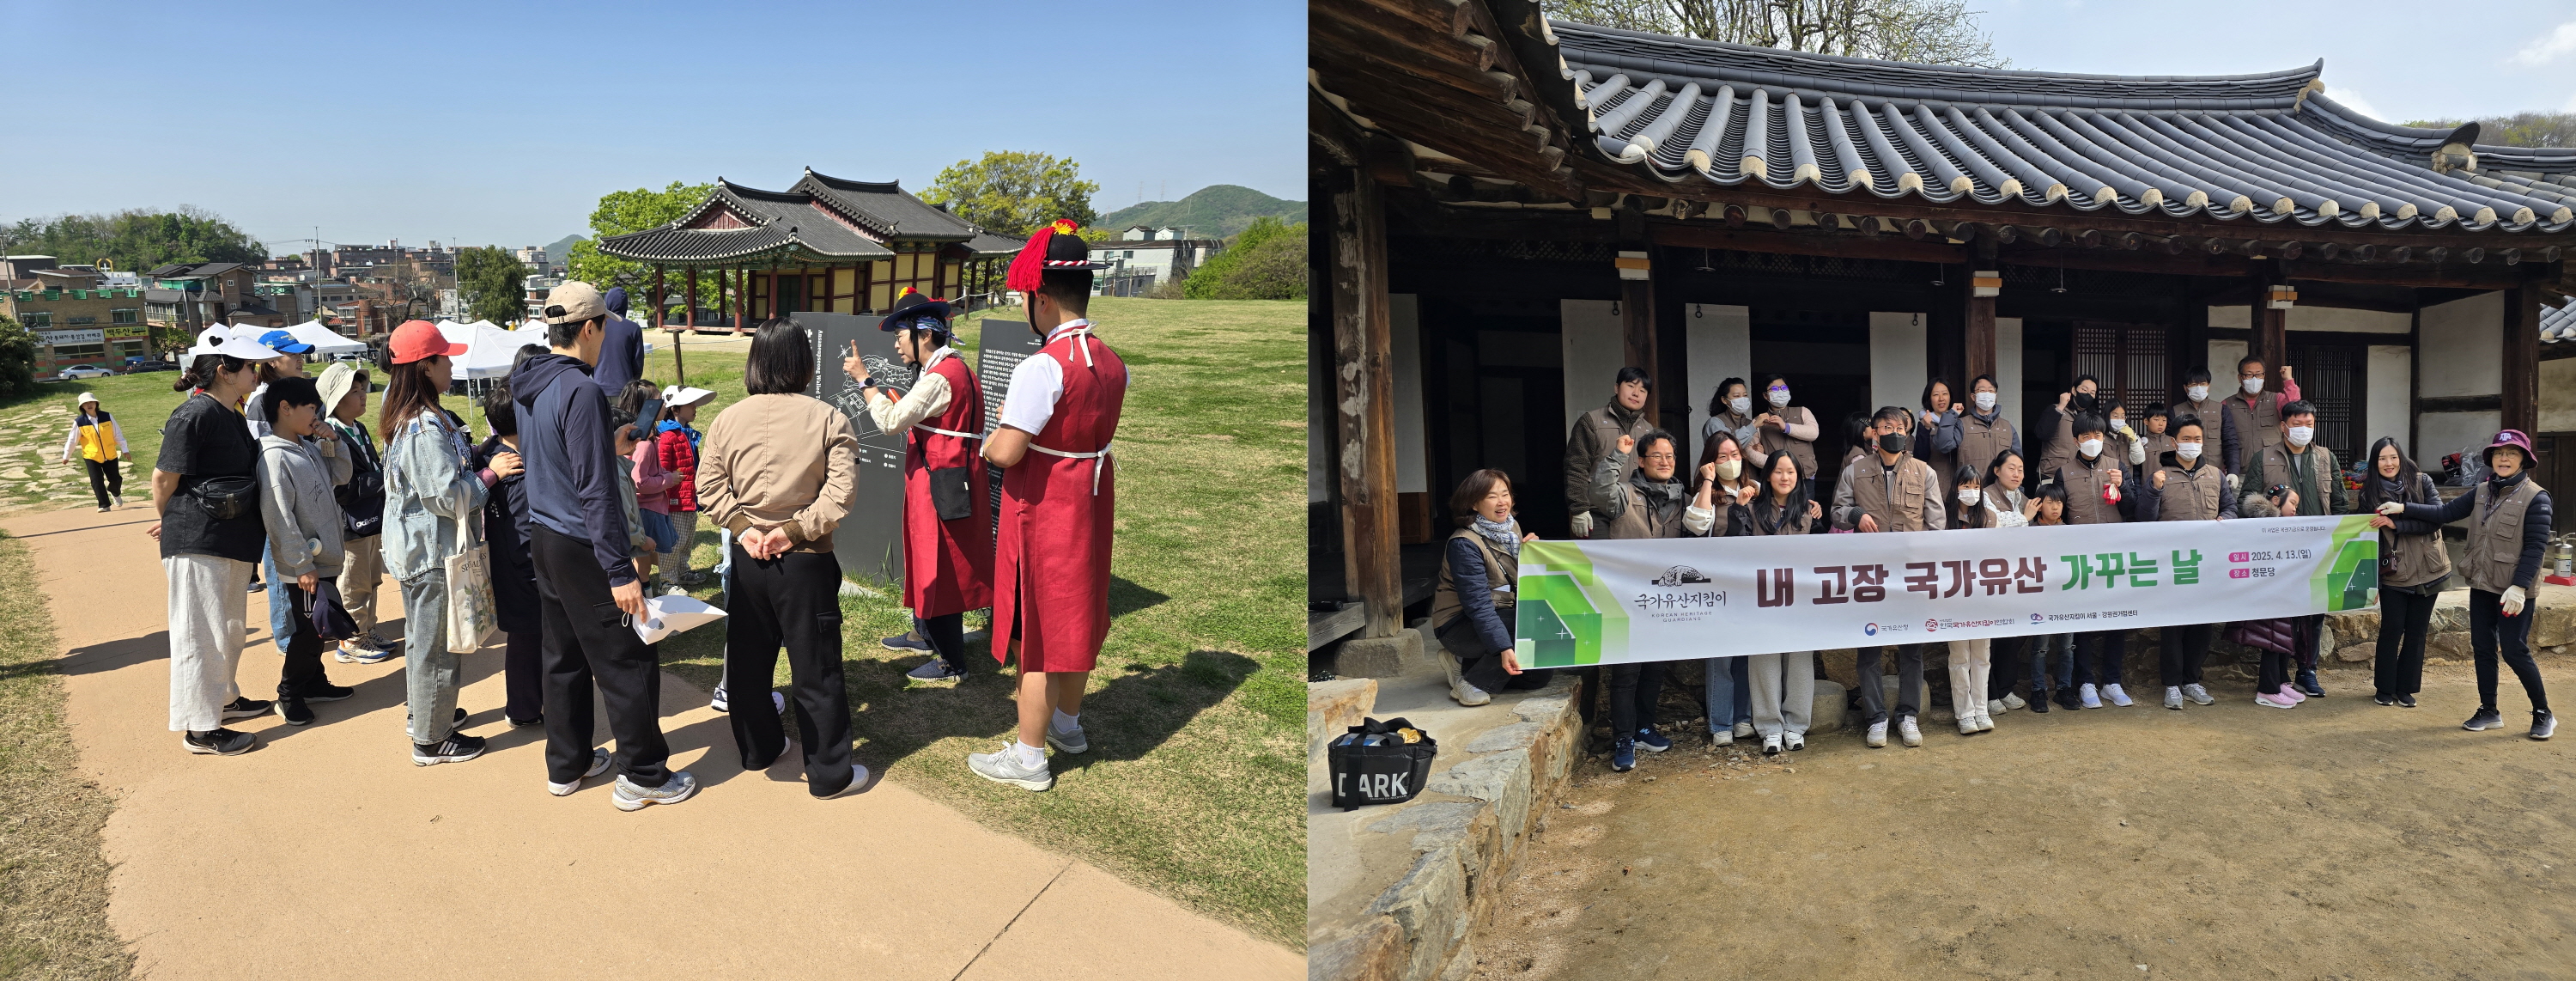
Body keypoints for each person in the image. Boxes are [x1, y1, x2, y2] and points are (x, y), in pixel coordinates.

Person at [512, 282, 693, 807]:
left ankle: (567, 763)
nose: (604, 339)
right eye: (603, 329)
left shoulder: (528, 381)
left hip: (543, 536)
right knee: (628, 654)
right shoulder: (581, 390)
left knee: (562, 654)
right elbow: (594, 485)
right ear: (588, 328)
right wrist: (619, 570)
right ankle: (646, 774)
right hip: (581, 540)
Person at [970, 219, 1129, 793]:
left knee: (1033, 632)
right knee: (1078, 613)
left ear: (1039, 298)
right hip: (1088, 498)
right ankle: (1067, 724)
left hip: (1043, 507)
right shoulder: (1112, 362)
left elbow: (1008, 450)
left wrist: (989, 442)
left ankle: (1029, 756)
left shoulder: (1042, 366)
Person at [696, 319, 868, 798]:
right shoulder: (829, 418)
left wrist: (744, 528)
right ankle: (830, 773)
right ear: (804, 363)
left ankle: (758, 750)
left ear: (754, 362)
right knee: (815, 667)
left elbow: (707, 486)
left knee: (750, 663)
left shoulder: (727, 419)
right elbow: (840, 493)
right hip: (807, 558)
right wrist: (792, 531)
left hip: (748, 557)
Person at [844, 288, 993, 685]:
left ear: (924, 335)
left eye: (900, 335)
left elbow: (892, 420)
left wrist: (865, 381)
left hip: (942, 484)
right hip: (944, 479)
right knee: (930, 558)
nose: (896, 345)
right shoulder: (950, 370)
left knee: (941, 565)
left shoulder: (942, 377)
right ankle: (925, 634)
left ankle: (951, 660)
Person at [149, 332, 289, 756]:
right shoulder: (193, 414)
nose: (255, 373)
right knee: (200, 635)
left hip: (226, 540)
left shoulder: (229, 412)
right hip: (199, 541)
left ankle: (224, 699)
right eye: (248, 367)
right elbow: (163, 479)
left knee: (227, 631)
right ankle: (199, 727)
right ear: (225, 372)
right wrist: (173, 521)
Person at [380, 320, 506, 765]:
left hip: (415, 548)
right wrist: (491, 475)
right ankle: (432, 740)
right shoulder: (425, 427)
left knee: (422, 640)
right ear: (424, 366)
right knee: (436, 646)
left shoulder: (405, 415)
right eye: (444, 358)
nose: (451, 365)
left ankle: (426, 715)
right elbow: (446, 496)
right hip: (432, 551)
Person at [2382, 430, 2554, 740]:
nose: (2504, 459)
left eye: (2511, 454)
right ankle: (2489, 710)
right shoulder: (2483, 490)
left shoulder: (2536, 498)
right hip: (2483, 583)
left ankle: (2543, 712)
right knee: (2483, 649)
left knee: (2515, 651)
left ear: (2523, 460)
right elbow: (2445, 512)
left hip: (2513, 590)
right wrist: (2404, 508)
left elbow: (2535, 548)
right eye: (2499, 454)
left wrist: (2520, 586)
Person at [1589, 428, 1707, 771]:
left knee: (1655, 669)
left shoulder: (1683, 498)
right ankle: (1623, 736)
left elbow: (1704, 529)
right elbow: (1598, 493)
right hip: (1626, 598)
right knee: (1626, 672)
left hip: (1665, 601)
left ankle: (1644, 727)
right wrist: (1616, 456)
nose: (1666, 461)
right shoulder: (1624, 494)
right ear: (1641, 460)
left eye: (1670, 456)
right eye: (1657, 456)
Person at [1832, 405, 1945, 747]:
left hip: (1911, 574)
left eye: (1898, 426)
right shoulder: (1856, 470)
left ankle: (1908, 715)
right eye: (1884, 426)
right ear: (1874, 433)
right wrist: (1856, 515)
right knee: (1869, 648)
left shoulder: (1924, 472)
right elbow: (1837, 511)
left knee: (1912, 649)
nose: (1891, 431)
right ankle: (1876, 718)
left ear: (1907, 431)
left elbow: (1937, 523)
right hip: (1870, 572)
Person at [253, 375, 357, 728]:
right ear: (285, 408)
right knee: (307, 633)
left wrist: (333, 440)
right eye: (310, 408)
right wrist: (301, 564)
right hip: (304, 564)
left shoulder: (306, 446)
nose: (316, 415)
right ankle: (289, 693)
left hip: (323, 558)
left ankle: (314, 682)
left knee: (318, 626)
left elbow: (340, 475)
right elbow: (279, 516)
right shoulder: (273, 457)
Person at [2242, 400, 2346, 697]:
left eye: (2309, 424)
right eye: (2297, 424)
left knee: (2314, 611)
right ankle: (2282, 675)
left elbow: (2338, 500)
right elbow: (2247, 501)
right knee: (2283, 613)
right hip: (2280, 549)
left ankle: (2307, 671)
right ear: (2284, 426)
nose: (2303, 429)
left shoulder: (2326, 458)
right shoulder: (2264, 457)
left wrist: (2339, 537)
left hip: (2318, 545)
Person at [2136, 414, 2235, 710]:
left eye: (2197, 439)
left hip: (2207, 563)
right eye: (2186, 439)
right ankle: (2172, 685)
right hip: (2173, 564)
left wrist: (2224, 518)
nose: (2192, 444)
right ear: (2174, 441)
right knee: (2173, 626)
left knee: (2202, 626)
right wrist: (2154, 489)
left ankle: (2192, 681)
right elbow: (2144, 518)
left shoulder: (2214, 475)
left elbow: (2230, 508)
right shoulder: (2159, 474)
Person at [1430, 469, 1547, 707]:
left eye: (1505, 494)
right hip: (1458, 625)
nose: (1502, 502)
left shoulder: (1512, 529)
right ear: (1473, 503)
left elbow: (1520, 582)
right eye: (1492, 496)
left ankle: (1464, 665)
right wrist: (1504, 647)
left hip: (1501, 613)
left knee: (1537, 678)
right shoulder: (1464, 543)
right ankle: (1472, 683)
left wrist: (1534, 555)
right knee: (1529, 623)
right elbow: (1479, 606)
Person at [1730, 451, 1815, 754]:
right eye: (1779, 472)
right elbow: (1735, 546)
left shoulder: (1808, 512)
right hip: (1762, 598)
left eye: (1791, 472)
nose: (1785, 478)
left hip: (1800, 599)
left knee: (1800, 661)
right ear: (1767, 475)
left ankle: (1796, 726)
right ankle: (1769, 728)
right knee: (1764, 660)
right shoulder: (1752, 509)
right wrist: (1738, 510)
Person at [473, 381, 545, 728]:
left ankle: (525, 704)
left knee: (525, 638)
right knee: (529, 639)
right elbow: (524, 527)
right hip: (524, 567)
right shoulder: (515, 464)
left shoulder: (491, 452)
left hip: (506, 562)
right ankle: (525, 708)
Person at [2359, 437, 2450, 709]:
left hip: (2429, 567)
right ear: (2376, 463)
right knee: (2392, 628)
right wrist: (2371, 581)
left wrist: (2397, 522)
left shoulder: (2421, 482)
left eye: (2393, 457)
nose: (2389, 464)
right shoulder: (2369, 493)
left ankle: (2406, 688)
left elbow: (2438, 516)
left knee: (2417, 630)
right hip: (2394, 570)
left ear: (2401, 457)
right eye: (2382, 459)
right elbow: (2368, 540)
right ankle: (2385, 688)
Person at [2056, 411, 2138, 709]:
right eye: (2087, 437)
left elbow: (2133, 508)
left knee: (2117, 618)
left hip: (2114, 554)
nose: (2093, 441)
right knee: (2084, 620)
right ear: (2076, 440)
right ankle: (2087, 682)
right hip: (2080, 557)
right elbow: (2059, 516)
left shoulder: (2118, 466)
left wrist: (2124, 485)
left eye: (2098, 436)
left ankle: (2112, 682)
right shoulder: (2064, 473)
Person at [318, 364, 398, 664]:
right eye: (354, 391)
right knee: (353, 581)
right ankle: (350, 640)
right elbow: (339, 484)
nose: (363, 395)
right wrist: (381, 480)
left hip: (370, 518)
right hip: (349, 523)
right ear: (337, 398)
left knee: (372, 578)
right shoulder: (328, 435)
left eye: (362, 388)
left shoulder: (358, 427)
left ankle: (367, 628)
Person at [1690, 432, 1760, 746]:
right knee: (1720, 658)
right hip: (1716, 587)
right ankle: (1720, 723)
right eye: (1721, 456)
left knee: (1745, 655)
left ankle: (1742, 718)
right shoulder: (1706, 494)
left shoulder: (1756, 490)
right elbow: (1696, 525)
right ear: (1710, 461)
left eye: (1734, 454)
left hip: (1749, 586)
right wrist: (1708, 481)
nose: (1730, 461)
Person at [1563, 366, 1656, 538]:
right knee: (1596, 564)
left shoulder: (1649, 431)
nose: (1636, 393)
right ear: (1616, 387)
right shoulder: (1591, 421)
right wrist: (1579, 509)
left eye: (1643, 390)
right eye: (1630, 386)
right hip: (1597, 513)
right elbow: (1576, 467)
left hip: (1635, 513)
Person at [1939, 462, 1997, 736]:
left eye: (1976, 487)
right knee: (1959, 655)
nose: (1971, 491)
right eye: (1966, 486)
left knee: (1982, 655)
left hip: (1981, 595)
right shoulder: (1943, 518)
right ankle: (1964, 713)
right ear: (1955, 488)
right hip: (1953, 596)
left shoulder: (1988, 517)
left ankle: (1982, 709)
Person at [1977, 449, 2034, 716]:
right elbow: (1992, 524)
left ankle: (2005, 688)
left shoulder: (2023, 498)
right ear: (1997, 470)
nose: (2017, 474)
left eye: (2021, 469)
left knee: (2013, 636)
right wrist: (2025, 518)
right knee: (1991, 639)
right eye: (2011, 468)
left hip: (2016, 576)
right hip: (1990, 577)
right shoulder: (1984, 494)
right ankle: (1989, 694)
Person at [618, 380, 679, 592]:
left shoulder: (647, 439)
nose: (664, 404)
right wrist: (668, 480)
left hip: (649, 508)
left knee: (646, 563)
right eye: (658, 400)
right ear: (646, 407)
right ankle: (645, 603)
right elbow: (639, 481)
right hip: (647, 511)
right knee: (642, 566)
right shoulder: (644, 444)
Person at [654, 386, 715, 589]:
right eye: (690, 404)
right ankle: (668, 580)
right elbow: (662, 467)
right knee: (674, 542)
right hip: (675, 500)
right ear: (675, 409)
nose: (695, 407)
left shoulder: (686, 433)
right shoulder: (668, 436)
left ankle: (682, 571)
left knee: (687, 539)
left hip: (689, 497)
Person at [2024, 484, 2076, 713]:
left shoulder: (2071, 531)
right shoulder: (2029, 531)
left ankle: (2064, 689)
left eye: (2059, 502)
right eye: (2049, 502)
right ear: (2038, 504)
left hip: (2067, 597)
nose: (2055, 507)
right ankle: (2038, 690)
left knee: (2067, 646)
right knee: (2041, 647)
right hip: (2041, 598)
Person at [2219, 356, 2301, 478]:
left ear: (2264, 376)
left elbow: (2295, 410)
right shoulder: (2227, 405)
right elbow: (2222, 441)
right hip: (2242, 475)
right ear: (2240, 378)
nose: (2254, 379)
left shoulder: (2276, 399)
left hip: (2273, 472)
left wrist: (2288, 380)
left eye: (2258, 375)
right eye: (2249, 375)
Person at [1745, 373, 1819, 493]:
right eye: (1774, 389)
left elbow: (1813, 433)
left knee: (1805, 511)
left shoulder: (1802, 411)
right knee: (1778, 510)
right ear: (1765, 395)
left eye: (1784, 388)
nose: (1780, 391)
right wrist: (1775, 464)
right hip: (1777, 479)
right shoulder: (1760, 420)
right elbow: (1749, 450)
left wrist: (1786, 427)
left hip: (1805, 476)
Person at [58, 392, 128, 511]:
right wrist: (66, 456)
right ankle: (104, 505)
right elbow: (72, 440)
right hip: (91, 456)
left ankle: (115, 492)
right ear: (82, 407)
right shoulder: (79, 422)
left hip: (110, 454)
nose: (89, 405)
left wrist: (125, 449)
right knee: (96, 481)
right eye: (85, 404)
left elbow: (117, 434)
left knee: (116, 479)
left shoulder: (107, 417)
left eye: (91, 402)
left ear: (96, 403)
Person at [1957, 375, 2020, 496]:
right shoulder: (1962, 424)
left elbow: (2017, 461)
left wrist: (2018, 489)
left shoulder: (2007, 427)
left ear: (1995, 396)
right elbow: (1944, 445)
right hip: (1971, 491)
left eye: (1991, 391)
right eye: (1982, 391)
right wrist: (1951, 416)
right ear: (1973, 396)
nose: (1987, 394)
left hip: (2002, 492)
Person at [2037, 375, 2104, 483]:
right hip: (2052, 472)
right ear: (2074, 390)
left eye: (2092, 393)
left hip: (2082, 474)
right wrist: (2061, 407)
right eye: (2084, 390)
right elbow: (2042, 434)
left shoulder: (2092, 418)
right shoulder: (2055, 409)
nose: (2088, 394)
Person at [595, 286, 647, 393]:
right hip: (625, 389)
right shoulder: (633, 328)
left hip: (599, 387)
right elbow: (638, 364)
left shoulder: (598, 326)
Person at [2176, 367, 2230, 460]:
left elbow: (2230, 442)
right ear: (2186, 388)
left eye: (2202, 384)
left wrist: (2232, 471)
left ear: (2208, 386)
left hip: (2214, 468)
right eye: (2194, 384)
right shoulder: (2175, 411)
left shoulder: (2221, 409)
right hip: (2185, 469)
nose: (2198, 388)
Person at [1915, 379, 1961, 485]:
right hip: (1935, 485)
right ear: (1929, 398)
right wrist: (1926, 428)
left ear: (1950, 397)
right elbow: (1920, 457)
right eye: (1936, 395)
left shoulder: (1958, 423)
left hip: (1958, 485)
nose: (1941, 399)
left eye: (1945, 394)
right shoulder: (1924, 423)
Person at [1702, 376, 1758, 464]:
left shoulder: (1749, 422)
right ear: (1724, 400)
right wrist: (1753, 427)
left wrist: (1758, 449)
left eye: (1745, 395)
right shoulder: (1715, 423)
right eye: (1737, 396)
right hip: (1723, 474)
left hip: (1748, 475)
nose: (1742, 399)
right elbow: (1727, 447)